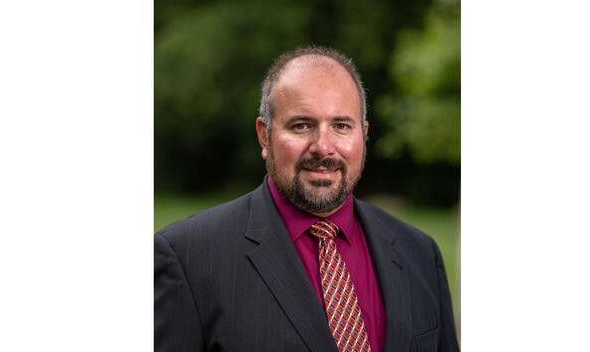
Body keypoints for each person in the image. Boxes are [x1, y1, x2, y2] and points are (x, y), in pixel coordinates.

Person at [154, 46, 459, 352]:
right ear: (264, 135)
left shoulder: (420, 254)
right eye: (302, 125)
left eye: (341, 126)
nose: (323, 147)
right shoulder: (188, 259)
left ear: (363, 135)